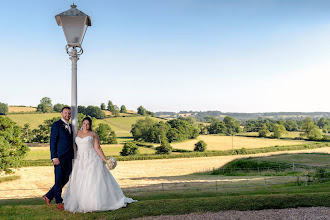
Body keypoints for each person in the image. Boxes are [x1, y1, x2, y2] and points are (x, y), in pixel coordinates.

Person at [63, 117, 136, 213]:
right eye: (84, 123)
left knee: (92, 180)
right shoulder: (77, 133)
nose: (86, 125)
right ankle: (81, 202)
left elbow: (97, 148)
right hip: (80, 160)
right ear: (82, 124)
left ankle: (94, 203)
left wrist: (106, 160)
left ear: (90, 125)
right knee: (80, 180)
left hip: (92, 159)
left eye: (88, 124)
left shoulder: (93, 135)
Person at [43, 107, 74, 210]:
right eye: (65, 113)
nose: (67, 115)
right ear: (61, 113)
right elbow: (53, 142)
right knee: (58, 178)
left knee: (65, 178)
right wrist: (54, 157)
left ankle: (48, 195)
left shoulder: (72, 126)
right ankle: (59, 201)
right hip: (59, 158)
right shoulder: (56, 125)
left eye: (69, 113)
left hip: (69, 157)